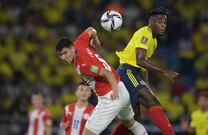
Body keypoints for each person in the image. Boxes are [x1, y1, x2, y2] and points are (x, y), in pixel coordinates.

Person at [56, 27, 148, 135]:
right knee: (131, 124)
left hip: (110, 97)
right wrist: (95, 39)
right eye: (60, 55)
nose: (63, 57)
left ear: (71, 48)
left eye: (65, 53)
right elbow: (91, 29)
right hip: (122, 89)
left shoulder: (83, 65)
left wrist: (114, 91)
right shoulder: (79, 42)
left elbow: (106, 73)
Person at [110, 7, 178, 135]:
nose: (163, 25)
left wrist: (146, 87)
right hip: (127, 72)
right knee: (153, 102)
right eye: (160, 22)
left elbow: (143, 67)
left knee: (135, 118)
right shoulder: (145, 33)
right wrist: (164, 71)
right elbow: (140, 60)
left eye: (164, 23)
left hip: (131, 73)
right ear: (151, 22)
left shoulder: (154, 41)